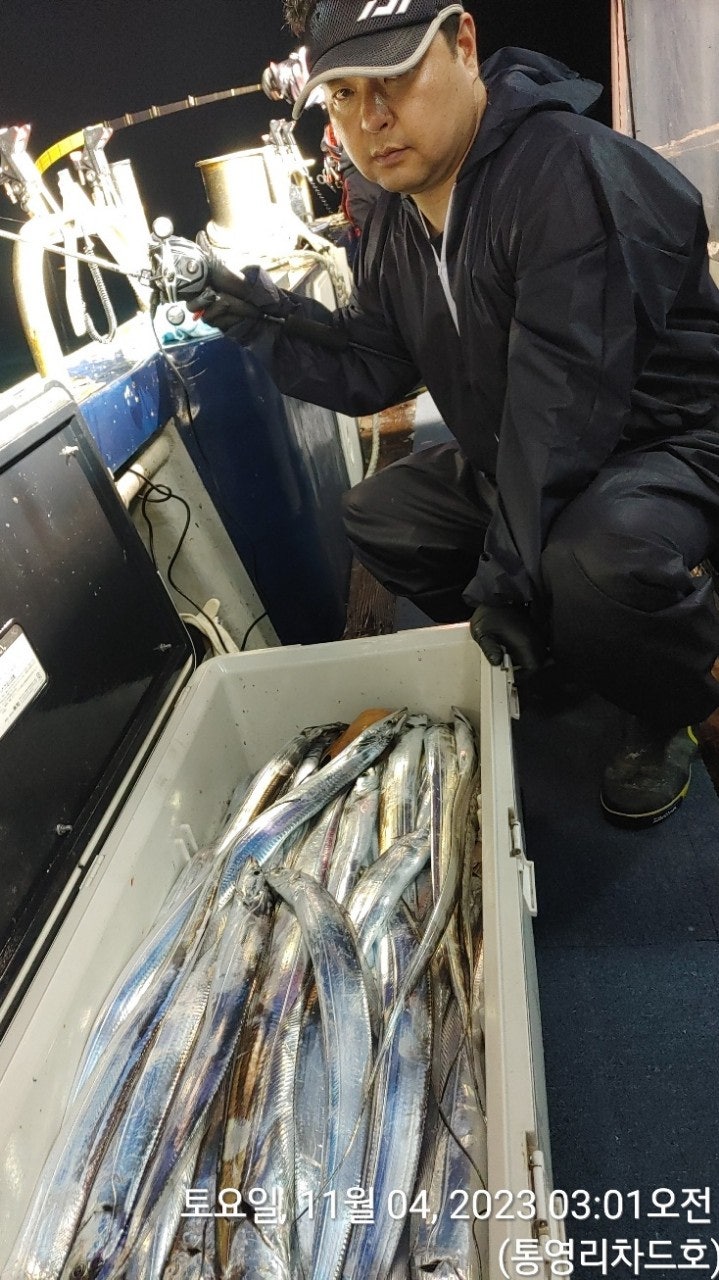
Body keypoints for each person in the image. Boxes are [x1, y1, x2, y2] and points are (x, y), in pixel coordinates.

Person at [198, 0, 719, 829]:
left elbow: (563, 410)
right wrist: (258, 317)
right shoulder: (395, 213)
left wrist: (503, 584)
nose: (370, 118)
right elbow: (373, 363)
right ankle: (561, 657)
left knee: (596, 564)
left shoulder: (566, 172)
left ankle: (661, 707)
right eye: (343, 94)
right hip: (525, 446)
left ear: (464, 45)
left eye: (395, 77)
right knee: (382, 514)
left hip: (660, 442)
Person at [261, 43, 381, 256]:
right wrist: (331, 154)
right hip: (361, 165)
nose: (286, 98)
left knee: (363, 213)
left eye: (281, 93)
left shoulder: (310, 67)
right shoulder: (322, 87)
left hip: (365, 170)